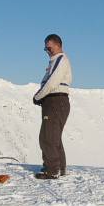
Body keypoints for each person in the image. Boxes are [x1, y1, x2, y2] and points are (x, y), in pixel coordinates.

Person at [33, 34, 72, 179]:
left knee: (47, 136)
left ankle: (52, 169)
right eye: (45, 48)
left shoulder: (60, 60)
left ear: (57, 45)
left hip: (55, 101)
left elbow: (52, 82)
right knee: (53, 136)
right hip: (55, 101)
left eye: (48, 47)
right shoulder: (55, 61)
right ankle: (59, 167)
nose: (47, 50)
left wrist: (38, 96)